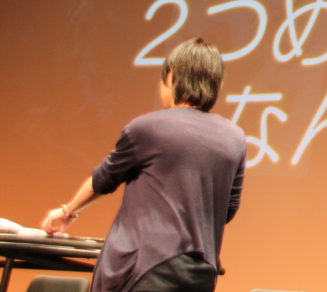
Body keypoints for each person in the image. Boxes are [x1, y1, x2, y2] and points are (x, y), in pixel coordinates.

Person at [42, 38, 246, 292]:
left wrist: (68, 210)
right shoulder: (235, 138)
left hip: (144, 268)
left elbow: (103, 179)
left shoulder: (147, 128)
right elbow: (228, 210)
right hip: (200, 273)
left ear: (171, 76)